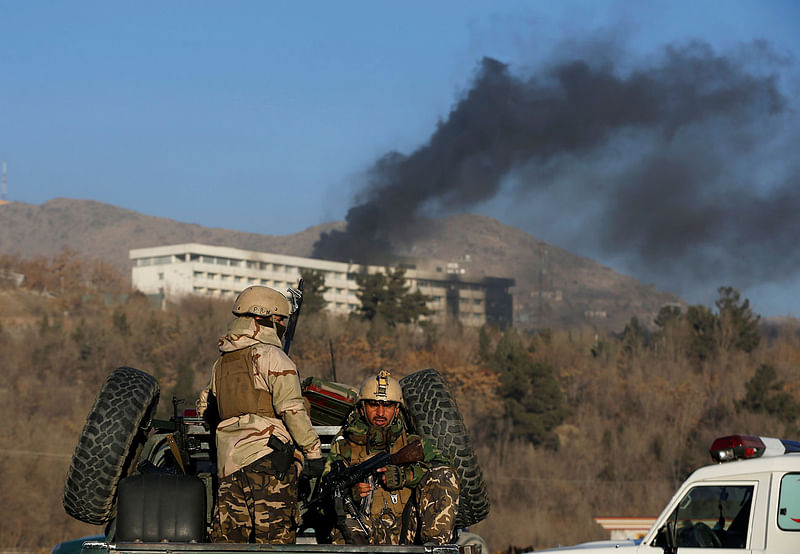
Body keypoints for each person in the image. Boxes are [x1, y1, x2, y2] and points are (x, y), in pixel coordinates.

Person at [197, 285, 323, 544]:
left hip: (228, 467)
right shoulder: (273, 356)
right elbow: (292, 410)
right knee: (274, 544)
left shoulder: (220, 363)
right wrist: (313, 453)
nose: (282, 326)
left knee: (228, 545)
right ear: (267, 319)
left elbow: (206, 409)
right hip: (268, 463)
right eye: (280, 320)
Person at [324, 369, 459, 545]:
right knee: (344, 523)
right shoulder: (343, 446)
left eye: (387, 406)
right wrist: (350, 494)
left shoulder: (412, 443)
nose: (380, 412)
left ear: (396, 410)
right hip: (367, 529)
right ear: (363, 408)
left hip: (408, 528)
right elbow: (326, 491)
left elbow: (446, 469)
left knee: (443, 474)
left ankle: (434, 548)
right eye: (374, 404)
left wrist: (407, 476)